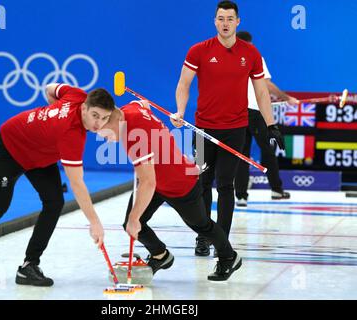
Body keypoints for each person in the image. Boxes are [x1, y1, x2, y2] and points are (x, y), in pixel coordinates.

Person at [0, 83, 115, 286]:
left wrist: (51, 119)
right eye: (95, 116)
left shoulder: (77, 95)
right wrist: (95, 222)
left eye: (104, 118)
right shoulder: (71, 135)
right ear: (84, 108)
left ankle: (29, 265)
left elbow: (49, 88)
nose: (99, 124)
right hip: (10, 148)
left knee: (54, 202)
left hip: (38, 155)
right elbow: (77, 183)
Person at [172, 1, 285, 257]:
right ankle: (203, 236)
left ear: (238, 22)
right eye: (221, 18)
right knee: (202, 184)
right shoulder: (198, 51)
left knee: (225, 185)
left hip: (234, 129)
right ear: (215, 21)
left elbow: (261, 92)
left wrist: (271, 124)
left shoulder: (251, 54)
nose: (225, 23)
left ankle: (221, 241)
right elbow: (183, 84)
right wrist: (179, 111)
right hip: (202, 131)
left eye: (230, 19)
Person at [98, 100, 242, 281]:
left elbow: (147, 183)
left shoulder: (133, 137)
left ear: (110, 119)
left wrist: (134, 219)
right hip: (157, 182)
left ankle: (229, 257)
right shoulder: (130, 109)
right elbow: (143, 104)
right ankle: (161, 255)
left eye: (103, 134)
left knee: (201, 226)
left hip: (179, 183)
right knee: (133, 222)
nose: (105, 139)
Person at [234, 31, 299, 207]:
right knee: (268, 151)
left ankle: (240, 196)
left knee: (242, 155)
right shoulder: (256, 57)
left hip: (236, 113)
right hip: (255, 112)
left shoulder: (227, 59)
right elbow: (267, 85)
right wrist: (287, 98)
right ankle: (276, 190)